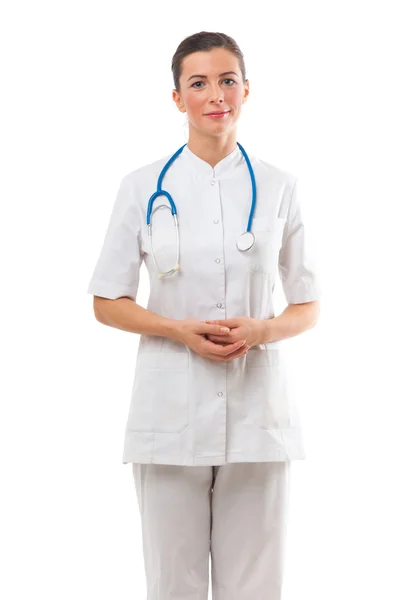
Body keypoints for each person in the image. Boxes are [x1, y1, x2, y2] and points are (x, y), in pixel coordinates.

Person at [87, 30, 321, 600]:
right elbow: (105, 301)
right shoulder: (143, 187)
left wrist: (263, 329)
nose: (216, 94)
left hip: (257, 414)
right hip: (170, 412)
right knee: (173, 586)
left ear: (247, 90)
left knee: (256, 588)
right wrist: (175, 330)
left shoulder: (280, 186)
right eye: (199, 83)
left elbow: (308, 303)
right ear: (177, 98)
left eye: (227, 80)